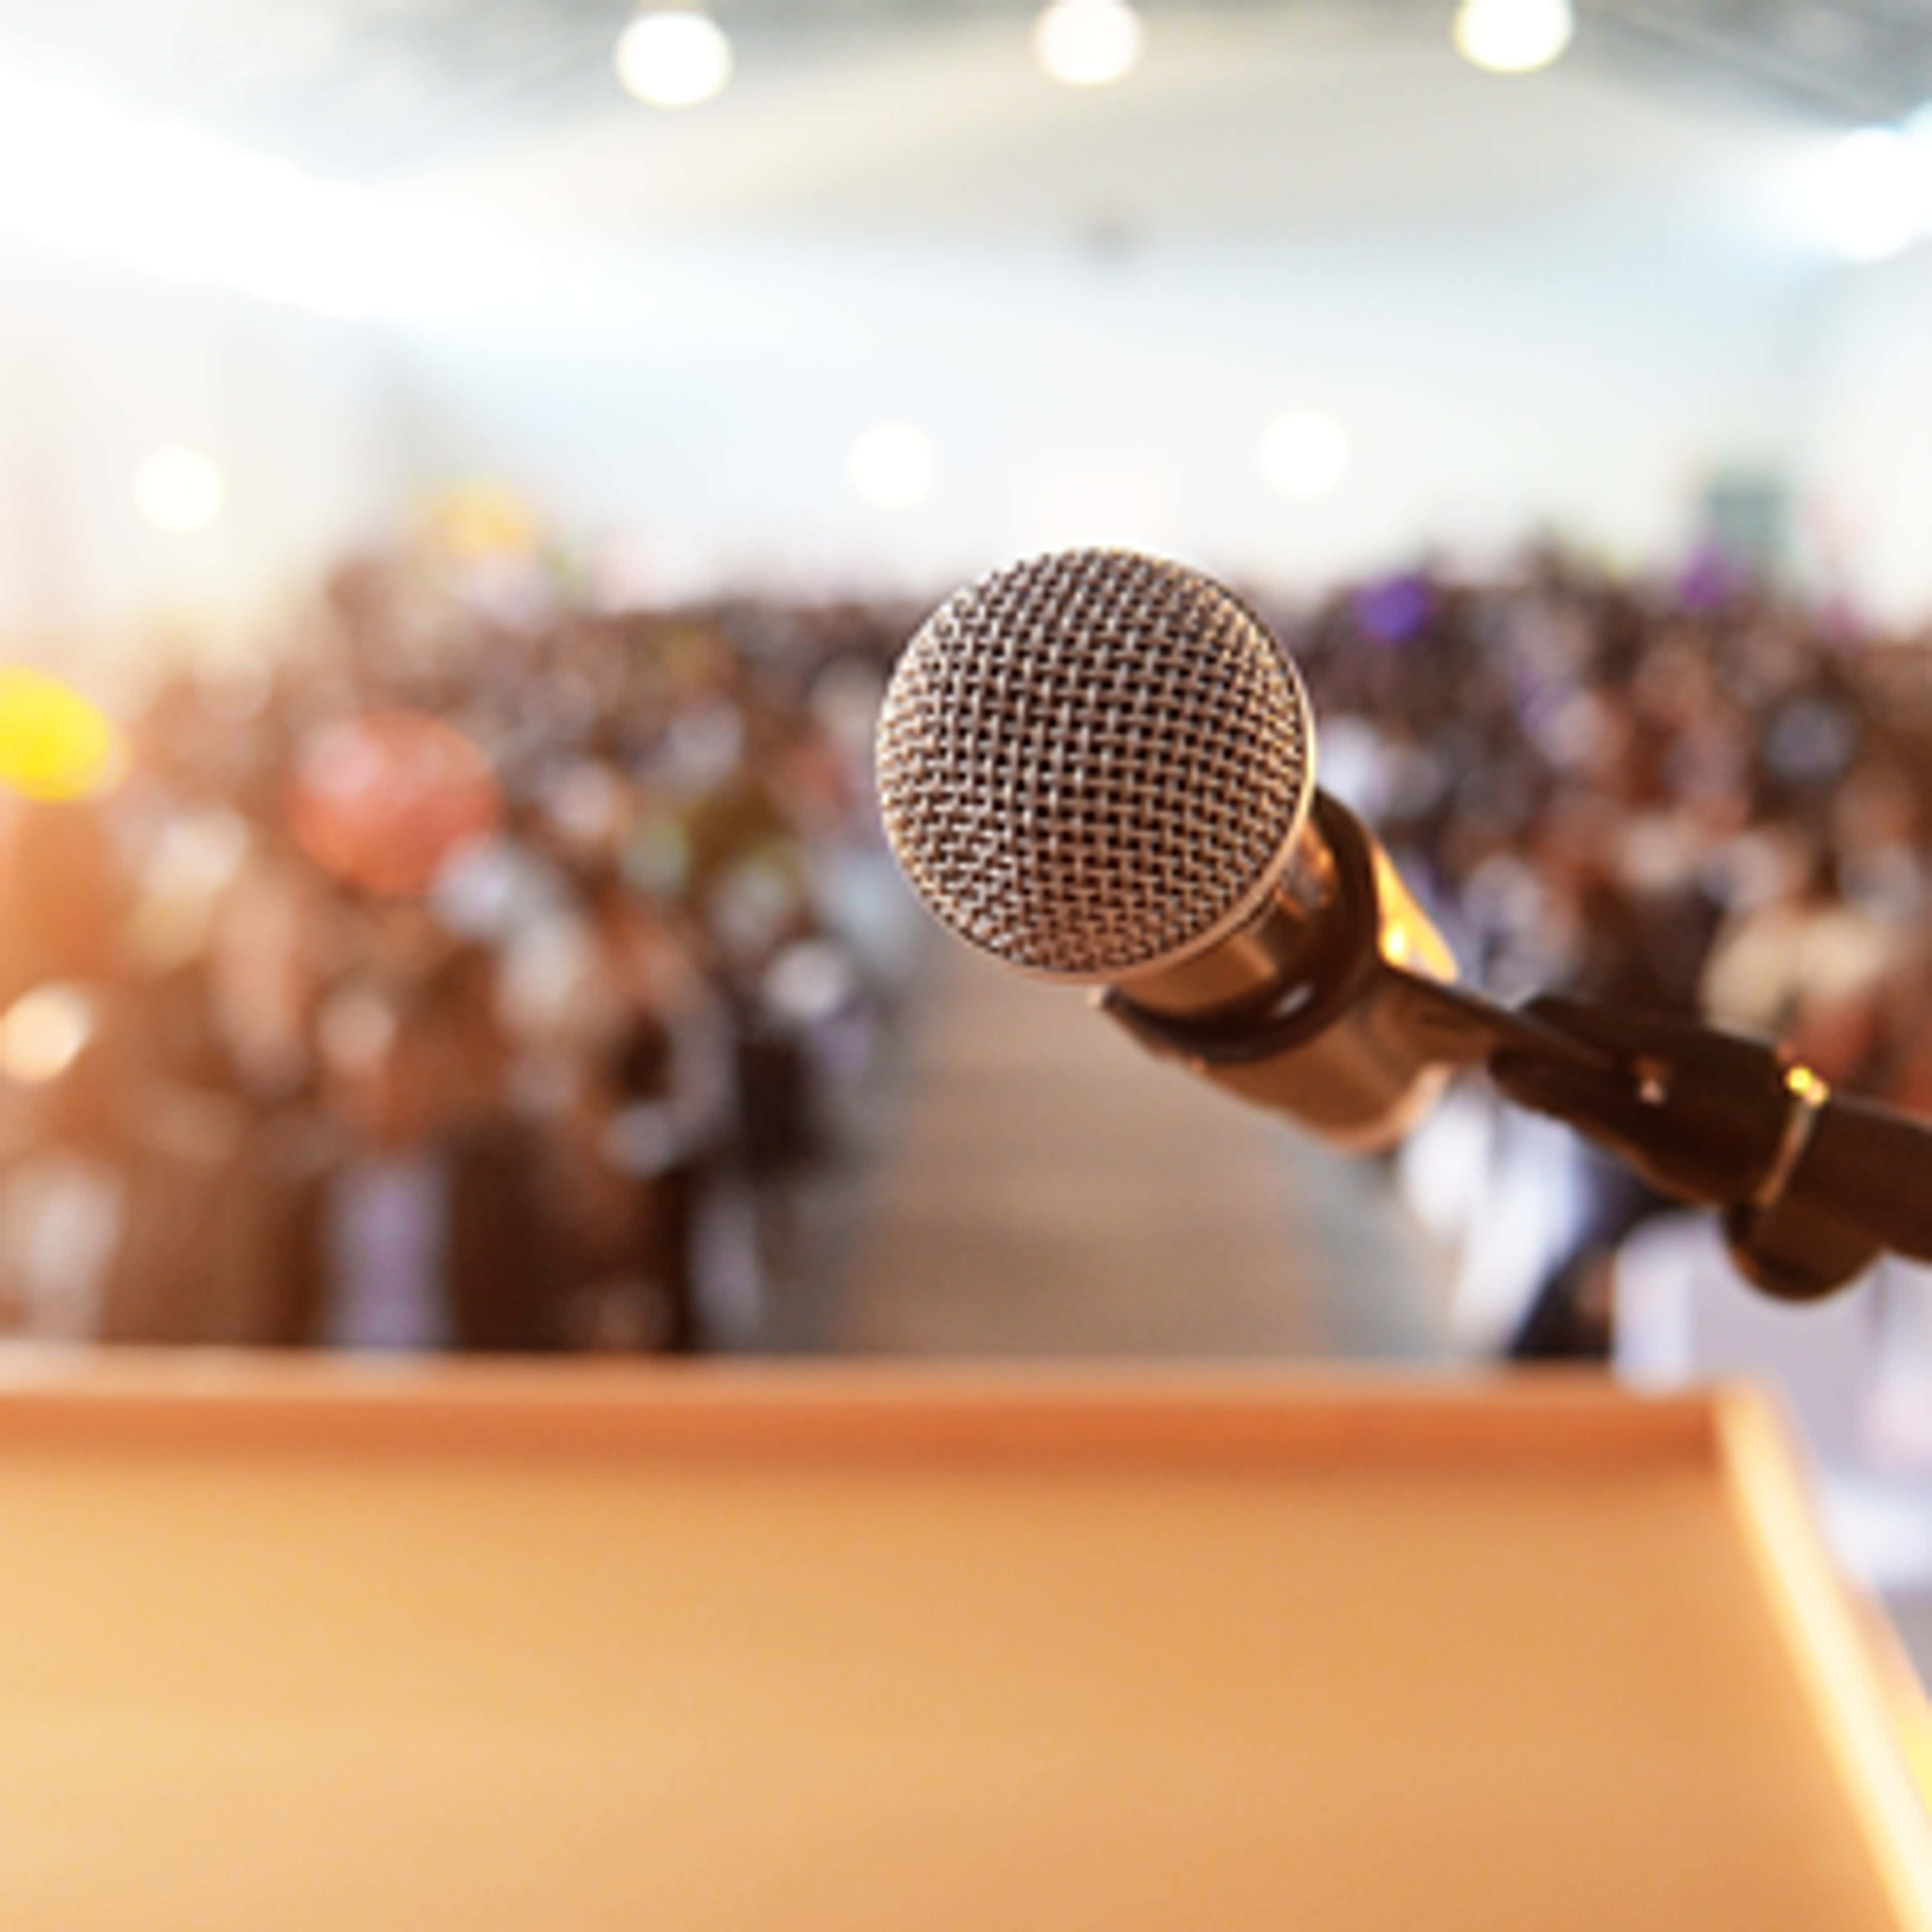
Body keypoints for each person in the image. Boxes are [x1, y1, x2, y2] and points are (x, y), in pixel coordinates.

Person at [251, 983, 558, 1351]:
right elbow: (275, 1307)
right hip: (331, 1386)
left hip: (457, 1387)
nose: (380, 1096)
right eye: (360, 1081)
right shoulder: (297, 1183)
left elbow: (523, 1304)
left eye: (397, 1074)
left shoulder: (490, 1182)